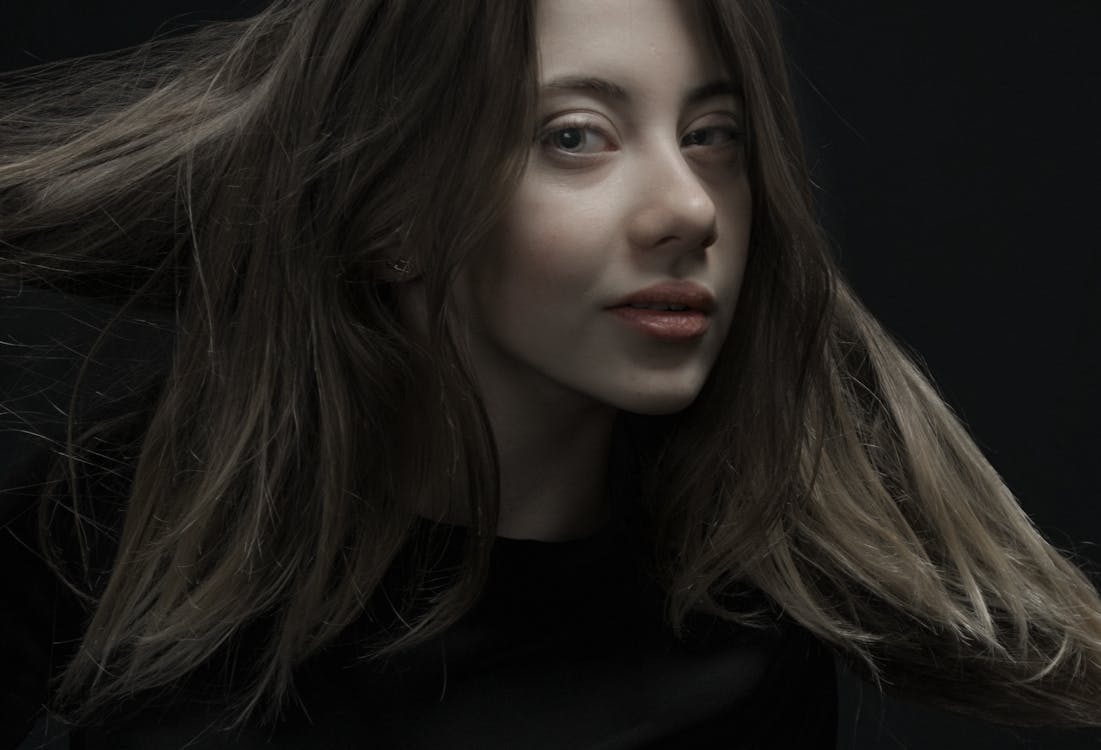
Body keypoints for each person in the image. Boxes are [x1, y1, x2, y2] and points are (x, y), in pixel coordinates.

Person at [1, 0, 1099, 747]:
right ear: (391, 219)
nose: (688, 208)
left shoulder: (741, 666)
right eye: (578, 136)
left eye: (715, 135)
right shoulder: (101, 548)